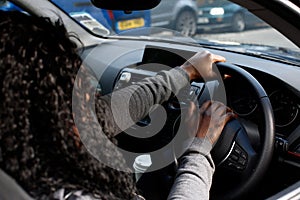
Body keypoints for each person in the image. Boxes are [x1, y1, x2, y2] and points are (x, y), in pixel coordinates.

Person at [0, 10, 233, 200]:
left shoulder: (25, 155)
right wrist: (197, 149)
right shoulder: (72, 194)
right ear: (47, 113)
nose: (91, 93)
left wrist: (184, 73)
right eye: (72, 89)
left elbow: (104, 115)